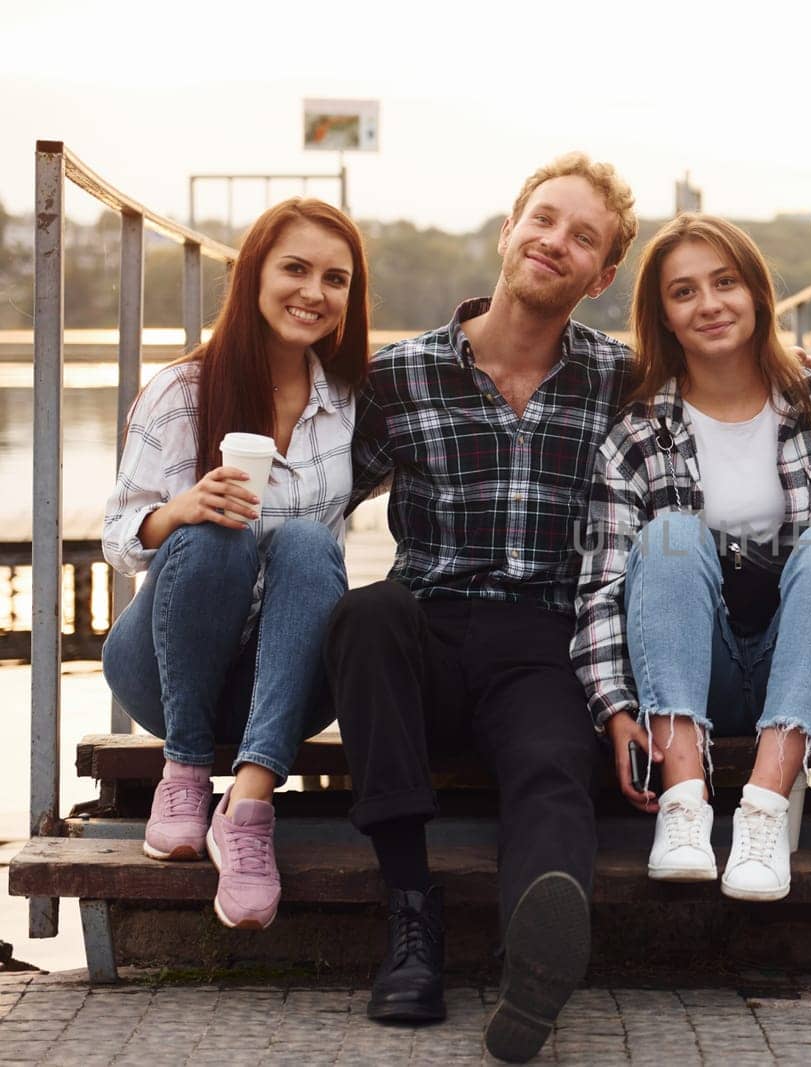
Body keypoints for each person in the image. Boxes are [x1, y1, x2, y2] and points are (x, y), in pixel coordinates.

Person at [323, 152, 637, 1062]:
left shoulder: (620, 381)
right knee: (364, 613)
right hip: (422, 626)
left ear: (604, 275)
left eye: (584, 237)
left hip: (543, 638)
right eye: (543, 219)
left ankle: (537, 962)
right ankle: (412, 924)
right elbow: (312, 499)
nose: (556, 242)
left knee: (551, 762)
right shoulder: (400, 376)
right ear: (508, 231)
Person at [573, 214, 811, 903]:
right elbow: (602, 586)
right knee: (669, 536)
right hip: (689, 668)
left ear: (757, 294)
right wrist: (614, 705)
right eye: (684, 293)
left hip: (799, 664)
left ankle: (765, 811)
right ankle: (684, 804)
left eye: (725, 282)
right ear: (665, 318)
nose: (709, 304)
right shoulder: (638, 431)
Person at [101, 198, 370, 932]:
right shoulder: (180, 391)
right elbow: (118, 538)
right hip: (165, 670)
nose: (314, 291)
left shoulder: (348, 402)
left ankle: (247, 807)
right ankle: (184, 774)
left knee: (313, 546)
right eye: (295, 268)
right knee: (219, 533)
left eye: (335, 278)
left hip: (279, 683)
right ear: (253, 273)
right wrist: (179, 509)